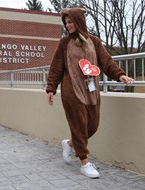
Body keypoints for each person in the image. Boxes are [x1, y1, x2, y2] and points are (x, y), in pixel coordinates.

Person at [46, 7, 133, 179]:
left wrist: (120, 74)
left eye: (70, 21)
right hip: (71, 90)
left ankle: (70, 144)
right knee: (78, 125)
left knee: (92, 125)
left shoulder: (94, 41)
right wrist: (51, 88)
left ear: (79, 21)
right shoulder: (64, 44)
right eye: (66, 22)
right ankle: (85, 163)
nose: (68, 25)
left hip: (91, 89)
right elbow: (56, 67)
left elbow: (106, 62)